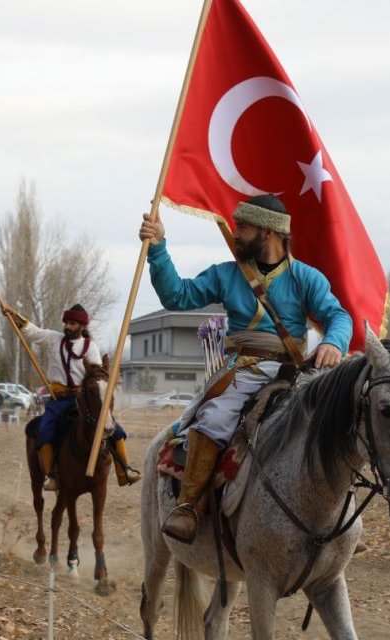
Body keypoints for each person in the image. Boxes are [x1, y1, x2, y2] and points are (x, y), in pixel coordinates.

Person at [139, 194, 351, 544]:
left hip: (294, 374)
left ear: (268, 233)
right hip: (244, 373)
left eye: (243, 227)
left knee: (332, 424)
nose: (235, 233)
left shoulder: (305, 277)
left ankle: (337, 516)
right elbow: (178, 296)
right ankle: (189, 506)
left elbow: (338, 316)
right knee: (213, 422)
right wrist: (158, 248)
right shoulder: (227, 274)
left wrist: (333, 343)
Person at [3, 303, 142, 490]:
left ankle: (124, 470)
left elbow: (96, 374)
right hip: (58, 398)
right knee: (45, 430)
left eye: (73, 323)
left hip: (81, 399)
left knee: (115, 430)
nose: (68, 327)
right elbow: (32, 332)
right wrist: (13, 315)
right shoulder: (54, 338)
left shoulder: (90, 347)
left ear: (82, 326)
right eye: (66, 322)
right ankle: (52, 475)